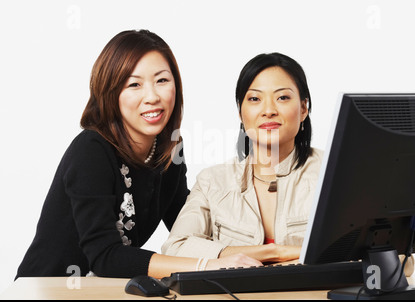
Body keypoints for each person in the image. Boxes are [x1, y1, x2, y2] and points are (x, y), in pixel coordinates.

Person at [15, 30, 261, 280]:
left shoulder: (170, 147)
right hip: (46, 290)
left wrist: (263, 253)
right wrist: (205, 265)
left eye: (162, 81)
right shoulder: (91, 150)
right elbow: (105, 257)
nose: (152, 96)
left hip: (103, 293)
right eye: (134, 84)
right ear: (111, 93)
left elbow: (187, 228)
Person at [162, 53, 323, 264]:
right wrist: (274, 253)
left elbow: (360, 248)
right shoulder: (213, 181)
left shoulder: (334, 173)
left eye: (282, 97)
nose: (268, 110)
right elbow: (176, 247)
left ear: (303, 109)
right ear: (240, 113)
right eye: (255, 99)